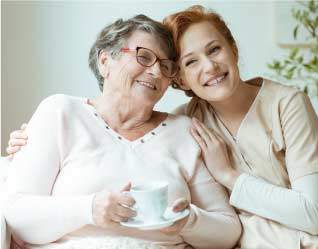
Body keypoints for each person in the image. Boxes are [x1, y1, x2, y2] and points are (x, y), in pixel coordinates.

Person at [7, 5, 318, 249]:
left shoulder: (273, 107)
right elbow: (20, 208)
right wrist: (33, 141)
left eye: (214, 50)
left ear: (232, 48)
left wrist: (214, 191)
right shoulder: (185, 122)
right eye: (189, 62)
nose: (209, 68)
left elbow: (299, 217)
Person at [3, 14, 241, 249]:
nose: (157, 72)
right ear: (105, 61)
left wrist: (188, 221)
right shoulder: (60, 112)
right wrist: (89, 209)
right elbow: (17, 214)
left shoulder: (185, 131)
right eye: (144, 57)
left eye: (166, 66)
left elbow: (228, 231)